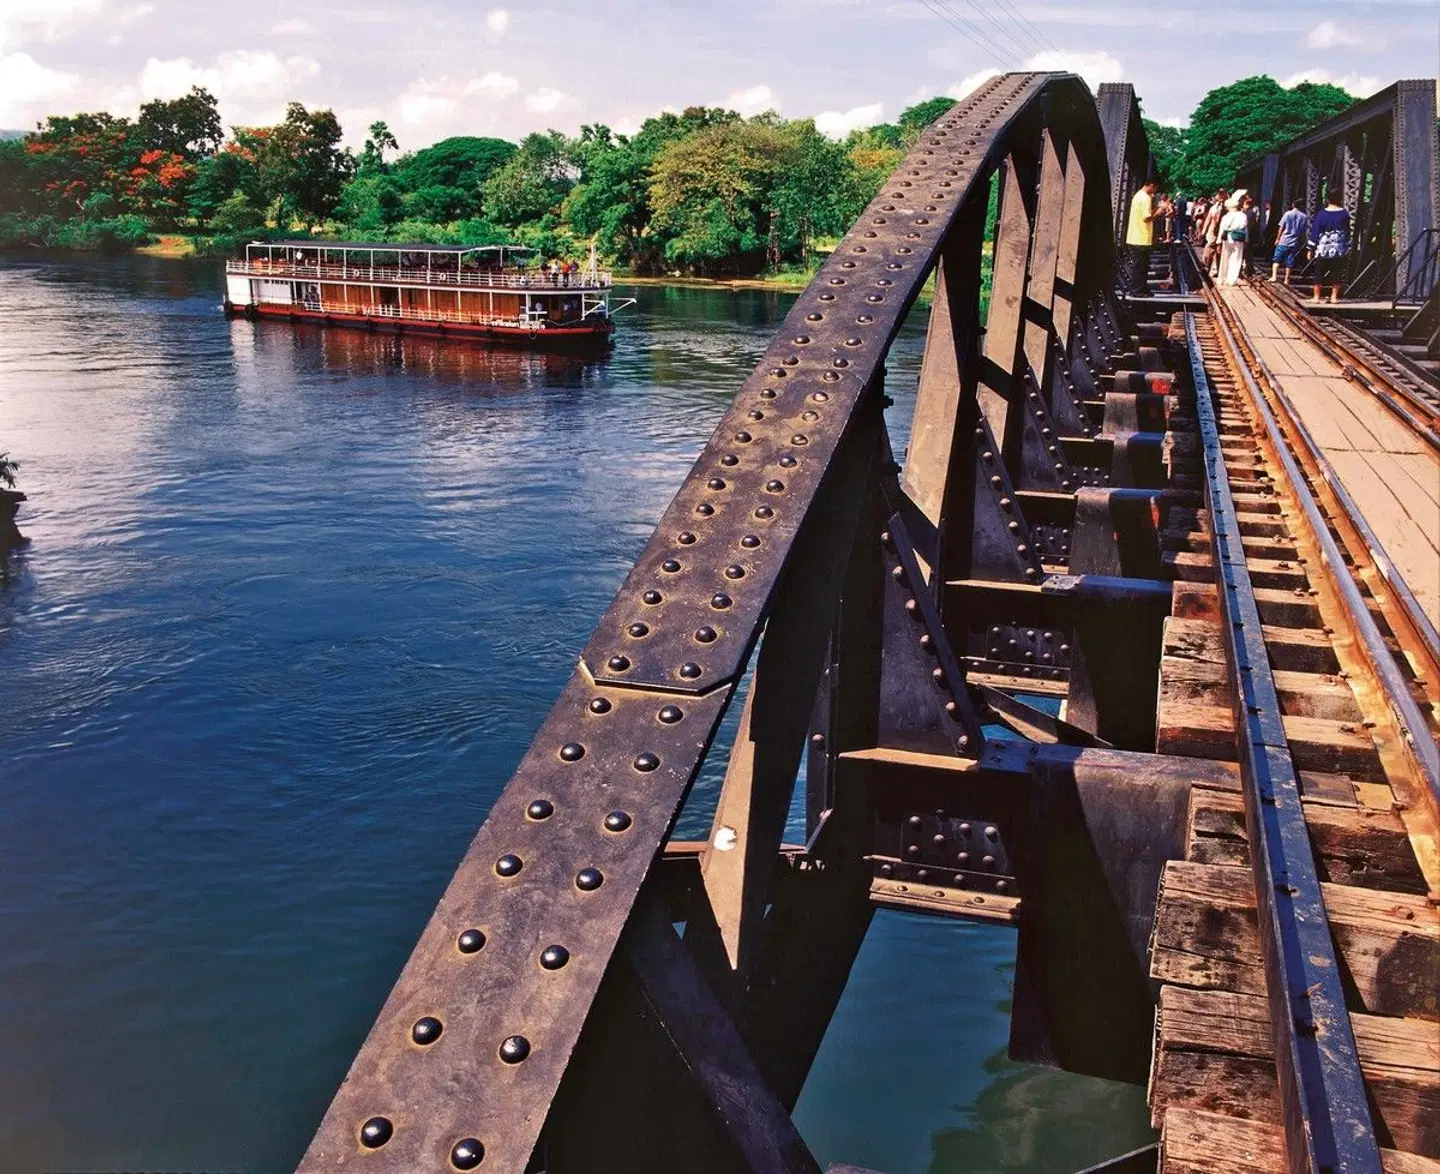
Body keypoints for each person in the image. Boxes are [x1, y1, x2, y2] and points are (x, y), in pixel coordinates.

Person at [1307, 192, 1351, 304]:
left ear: (1327, 200)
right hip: (1338, 249)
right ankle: (1334, 297)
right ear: (1340, 200)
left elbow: (1315, 232)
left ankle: (1316, 297)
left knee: (1319, 272)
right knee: (1337, 273)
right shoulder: (1344, 214)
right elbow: (1347, 232)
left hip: (1323, 249)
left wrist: (1310, 248)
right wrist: (1347, 246)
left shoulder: (1321, 214)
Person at [1124, 179, 1162, 292]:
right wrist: (1159, 212)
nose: (1155, 191)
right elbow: (1146, 218)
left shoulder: (1138, 196)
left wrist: (1156, 209)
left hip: (1135, 236)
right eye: (1155, 188)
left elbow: (1146, 214)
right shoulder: (1146, 198)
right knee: (1140, 266)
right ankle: (1137, 290)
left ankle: (1142, 289)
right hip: (1141, 237)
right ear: (1151, 185)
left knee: (1141, 265)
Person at [1270, 198, 1309, 285]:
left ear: (1293, 205)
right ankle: (1287, 279)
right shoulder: (1304, 217)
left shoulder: (1287, 214)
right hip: (1294, 242)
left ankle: (1274, 276)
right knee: (1290, 261)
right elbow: (1303, 231)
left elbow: (1281, 227)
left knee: (1277, 259)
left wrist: (1277, 238)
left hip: (1284, 240)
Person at [1216, 192, 1250, 286]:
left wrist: (1218, 242)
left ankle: (1222, 278)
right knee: (1236, 259)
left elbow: (1222, 230)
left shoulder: (1226, 216)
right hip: (1239, 238)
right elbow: (1245, 228)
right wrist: (1246, 240)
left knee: (1225, 258)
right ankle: (1231, 280)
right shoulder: (1243, 215)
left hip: (1228, 238)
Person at [1202, 189, 1228, 277]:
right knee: (1209, 248)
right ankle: (1206, 267)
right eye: (1219, 194)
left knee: (1220, 252)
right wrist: (1204, 230)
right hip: (1213, 232)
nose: (1221, 196)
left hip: (1224, 232)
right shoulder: (1214, 207)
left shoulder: (1228, 207)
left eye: (1222, 194)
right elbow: (1208, 219)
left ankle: (1219, 270)